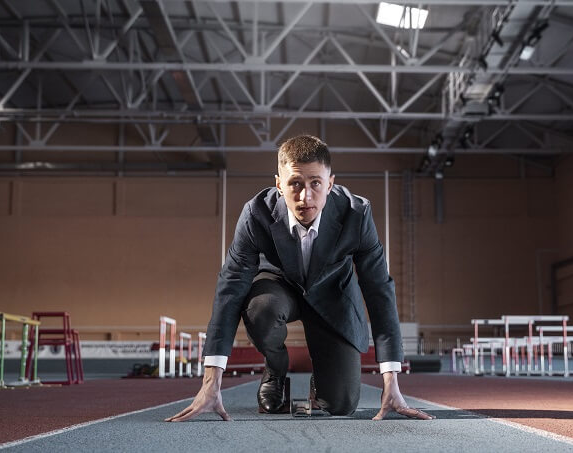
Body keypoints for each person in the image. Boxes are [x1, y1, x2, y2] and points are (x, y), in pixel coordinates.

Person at [166, 135, 433, 422]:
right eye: (295, 183)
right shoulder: (256, 214)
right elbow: (230, 287)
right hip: (281, 289)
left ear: (330, 184)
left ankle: (322, 379)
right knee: (260, 309)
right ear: (279, 184)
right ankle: (276, 368)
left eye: (315, 183)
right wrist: (211, 384)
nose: (305, 196)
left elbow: (379, 288)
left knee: (341, 404)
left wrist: (391, 383)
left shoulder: (357, 214)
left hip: (334, 295)